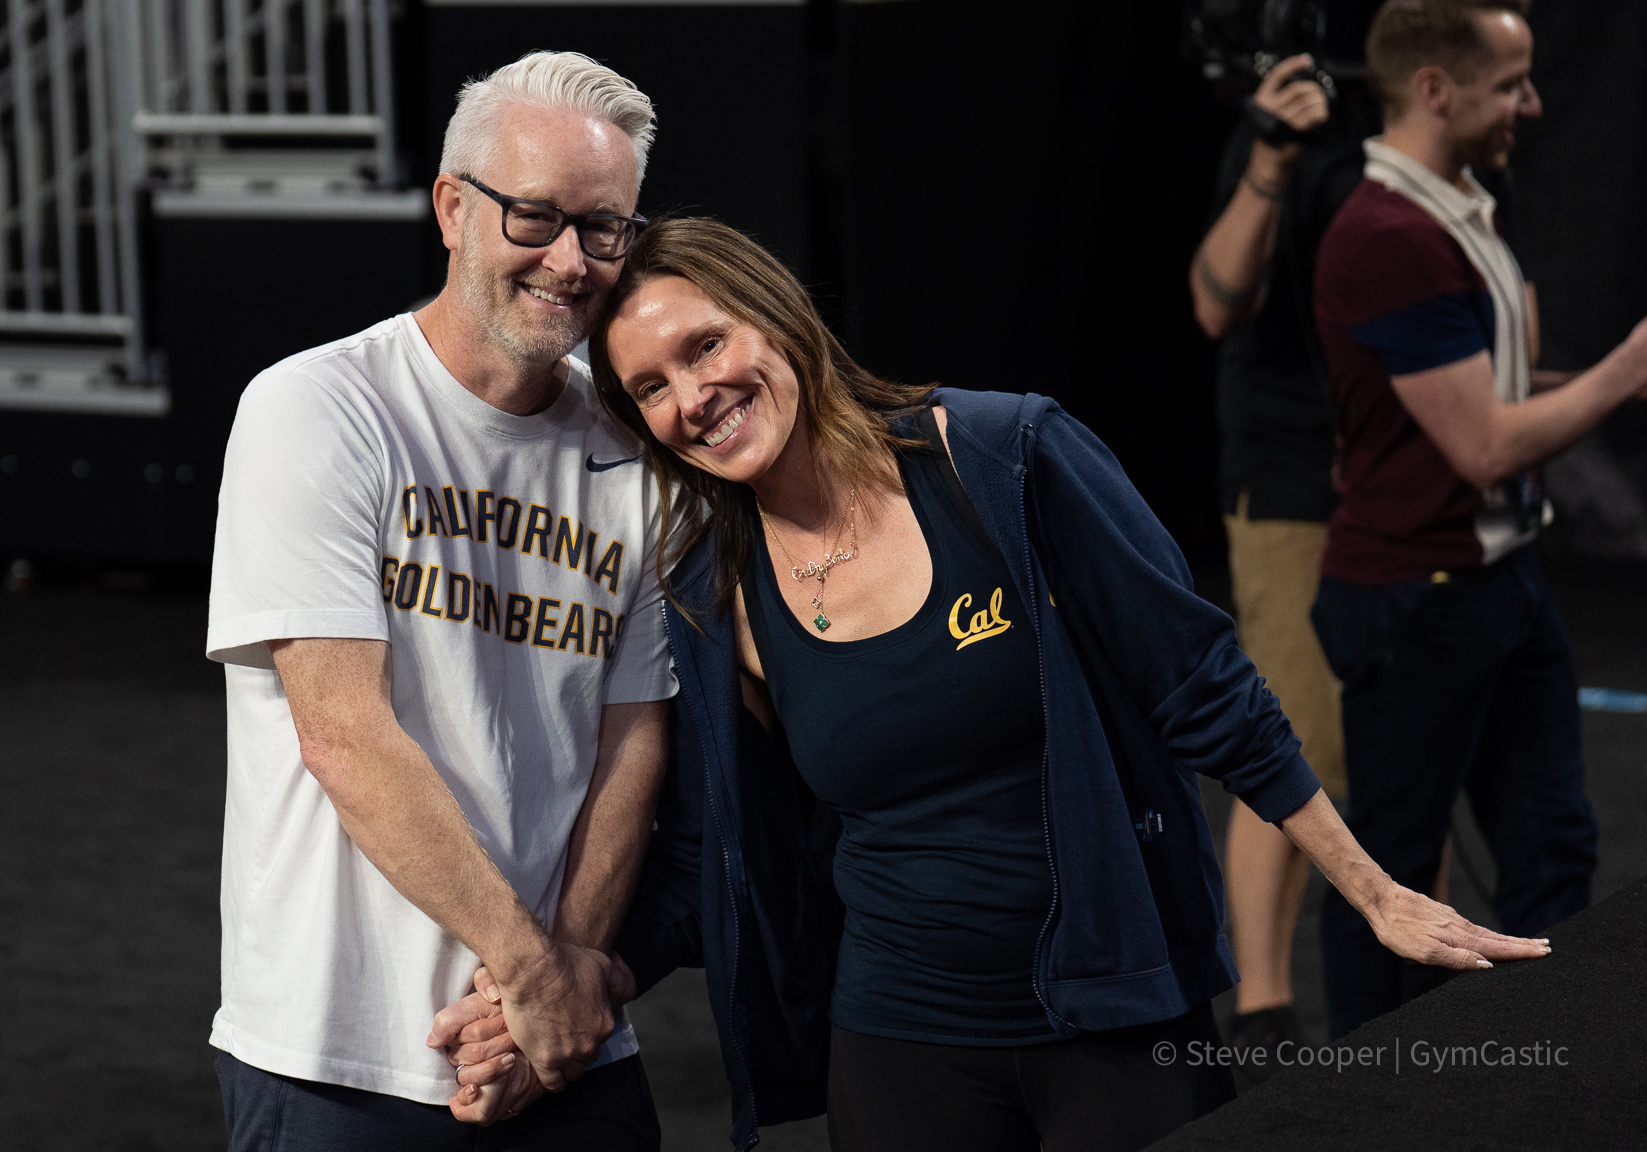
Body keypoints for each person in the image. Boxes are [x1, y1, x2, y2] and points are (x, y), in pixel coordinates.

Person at [440, 217, 1550, 1150]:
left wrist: (1376, 894)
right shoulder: (713, 595)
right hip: (898, 1042)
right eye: (651, 388)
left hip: (1115, 1013)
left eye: (706, 344)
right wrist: (563, 983)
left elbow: (1203, 686)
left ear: (776, 318)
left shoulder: (1002, 457)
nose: (695, 395)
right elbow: (704, 852)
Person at [202, 51, 677, 1149]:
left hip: (562, 1043)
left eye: (604, 228)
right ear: (453, 208)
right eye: (535, 217)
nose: (571, 261)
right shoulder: (318, 408)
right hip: (339, 1048)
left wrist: (554, 992)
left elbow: (633, 739)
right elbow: (344, 734)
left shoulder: (633, 450)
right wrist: (533, 978)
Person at [1310, 0, 1647, 1040]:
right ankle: (1361, 1084)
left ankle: (1543, 1070)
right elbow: (1485, 446)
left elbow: (1481, 395)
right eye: (1509, 84)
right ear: (1433, 89)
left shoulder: (1460, 206)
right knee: (1394, 872)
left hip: (1501, 580)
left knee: (1553, 848)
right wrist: (1626, 368)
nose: (1531, 105)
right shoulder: (1386, 236)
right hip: (1414, 599)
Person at [1188, 52, 1367, 1059]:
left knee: (1403, 747)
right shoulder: (1278, 142)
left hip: (1401, 485)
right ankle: (1260, 1011)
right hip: (1293, 483)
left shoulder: (1451, 159)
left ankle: (1409, 987)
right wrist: (1267, 157)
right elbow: (1214, 303)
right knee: (1289, 739)